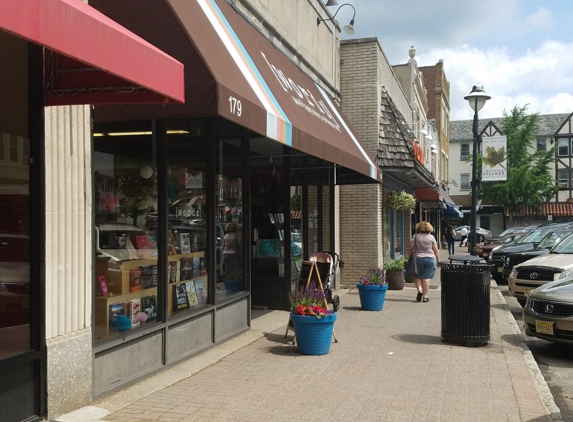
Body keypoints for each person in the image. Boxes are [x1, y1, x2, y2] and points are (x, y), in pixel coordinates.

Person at [408, 221, 440, 303]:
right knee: (426, 277)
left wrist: (409, 257)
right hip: (430, 258)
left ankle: (419, 290)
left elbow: (411, 248)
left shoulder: (415, 236)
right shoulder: (431, 237)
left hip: (418, 258)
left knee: (417, 276)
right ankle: (425, 297)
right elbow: (435, 250)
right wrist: (438, 261)